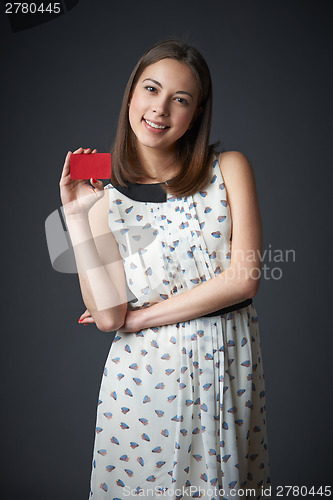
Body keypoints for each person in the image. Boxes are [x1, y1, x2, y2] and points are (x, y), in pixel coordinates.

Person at [59, 39, 271, 500]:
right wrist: (76, 217)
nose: (160, 108)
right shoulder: (103, 203)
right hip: (144, 385)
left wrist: (142, 317)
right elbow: (110, 316)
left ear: (195, 114)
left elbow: (243, 279)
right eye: (151, 90)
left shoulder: (229, 169)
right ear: (131, 96)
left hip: (225, 372)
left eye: (181, 99)